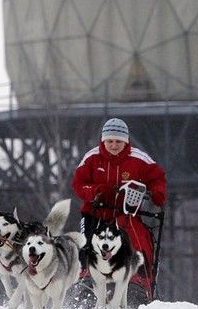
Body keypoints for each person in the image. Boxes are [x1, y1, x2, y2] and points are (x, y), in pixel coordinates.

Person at [71, 118, 167, 277]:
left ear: (126, 141)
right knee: (86, 244)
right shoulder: (91, 158)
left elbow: (158, 178)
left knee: (140, 242)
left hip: (127, 216)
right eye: (110, 141)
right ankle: (85, 277)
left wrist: (158, 193)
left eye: (118, 141)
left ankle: (140, 278)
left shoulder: (139, 159)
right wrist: (94, 191)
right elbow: (78, 184)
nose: (114, 146)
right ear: (103, 140)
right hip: (95, 215)